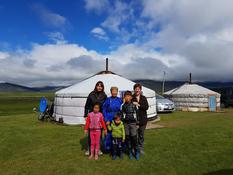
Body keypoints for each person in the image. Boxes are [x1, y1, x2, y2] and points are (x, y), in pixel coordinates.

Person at [84, 81, 107, 156]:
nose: (99, 87)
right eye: (98, 86)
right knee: (90, 134)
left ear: (102, 87)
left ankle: (99, 149)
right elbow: (87, 105)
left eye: (101, 86)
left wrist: (105, 116)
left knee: (99, 135)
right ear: (96, 86)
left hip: (100, 116)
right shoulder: (91, 94)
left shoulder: (104, 95)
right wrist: (85, 115)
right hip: (92, 115)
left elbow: (105, 106)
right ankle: (88, 149)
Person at [121, 91, 140, 160]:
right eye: (126, 96)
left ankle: (136, 151)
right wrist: (122, 121)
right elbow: (121, 115)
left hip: (133, 123)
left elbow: (137, 114)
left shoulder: (134, 105)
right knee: (128, 138)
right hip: (126, 124)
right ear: (124, 97)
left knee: (134, 138)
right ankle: (130, 152)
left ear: (131, 97)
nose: (127, 97)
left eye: (129, 96)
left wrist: (137, 123)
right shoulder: (123, 106)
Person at [102, 87, 123, 151]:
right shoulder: (108, 100)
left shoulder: (120, 100)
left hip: (117, 119)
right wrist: (106, 119)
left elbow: (122, 109)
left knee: (117, 133)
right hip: (109, 118)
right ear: (111, 92)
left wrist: (120, 119)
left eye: (115, 91)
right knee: (108, 134)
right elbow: (104, 109)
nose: (114, 92)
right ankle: (108, 148)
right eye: (113, 91)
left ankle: (116, 149)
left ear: (117, 92)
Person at [132, 83, 149, 155]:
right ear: (134, 90)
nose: (137, 90)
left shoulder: (143, 98)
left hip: (143, 119)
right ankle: (134, 148)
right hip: (134, 119)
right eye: (136, 89)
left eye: (138, 89)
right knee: (134, 135)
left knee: (141, 135)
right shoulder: (132, 98)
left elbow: (146, 107)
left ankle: (140, 148)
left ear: (140, 90)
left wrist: (138, 104)